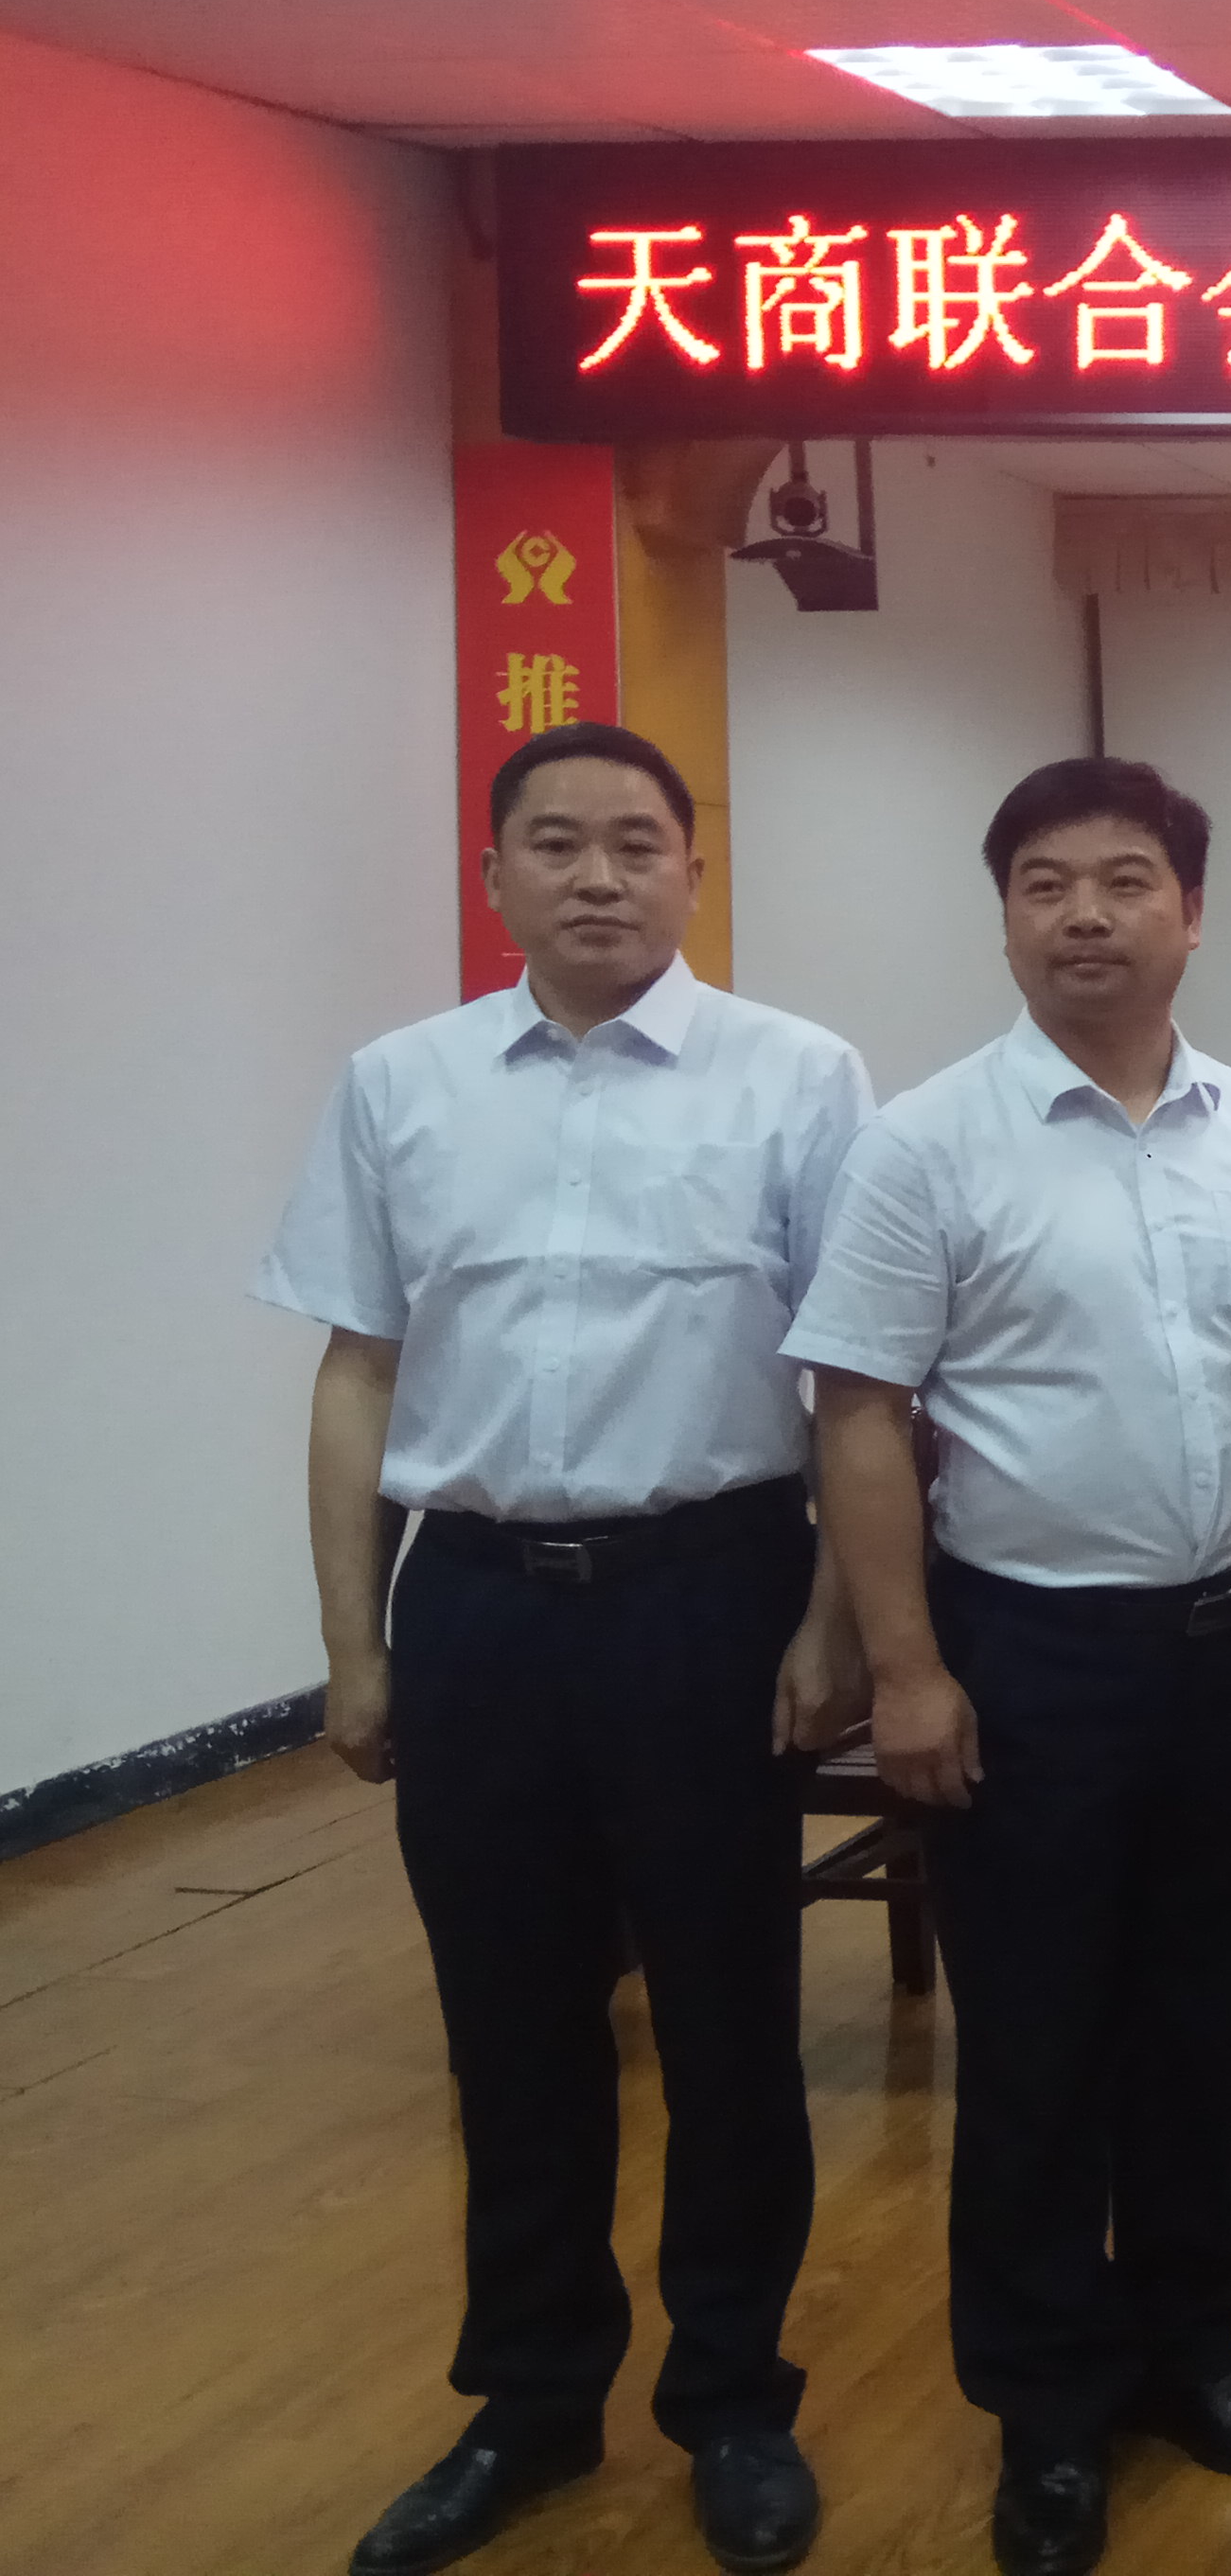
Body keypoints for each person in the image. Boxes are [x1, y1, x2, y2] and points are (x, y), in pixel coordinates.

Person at [255, 722, 871, 2576]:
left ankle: (734, 2399)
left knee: (729, 2019)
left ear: (692, 869)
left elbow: (856, 1380)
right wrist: (355, 1644)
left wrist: (835, 1618)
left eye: (633, 843)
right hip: (479, 1606)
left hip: (712, 1594)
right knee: (509, 2025)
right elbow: (358, 1368)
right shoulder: (402, 1085)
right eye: (555, 843)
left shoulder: (798, 1077)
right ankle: (528, 2404)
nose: (597, 875)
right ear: (495, 876)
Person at [785, 757, 1231, 2576]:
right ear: (1005, 916)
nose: (1087, 914)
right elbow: (862, 1412)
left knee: (1202, 2023)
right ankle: (1047, 2408)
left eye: (1126, 880)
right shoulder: (925, 1143)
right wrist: (907, 1667)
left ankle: (1192, 2349)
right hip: (1025, 1655)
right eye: (1045, 884)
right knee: (1033, 2043)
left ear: (1193, 912)